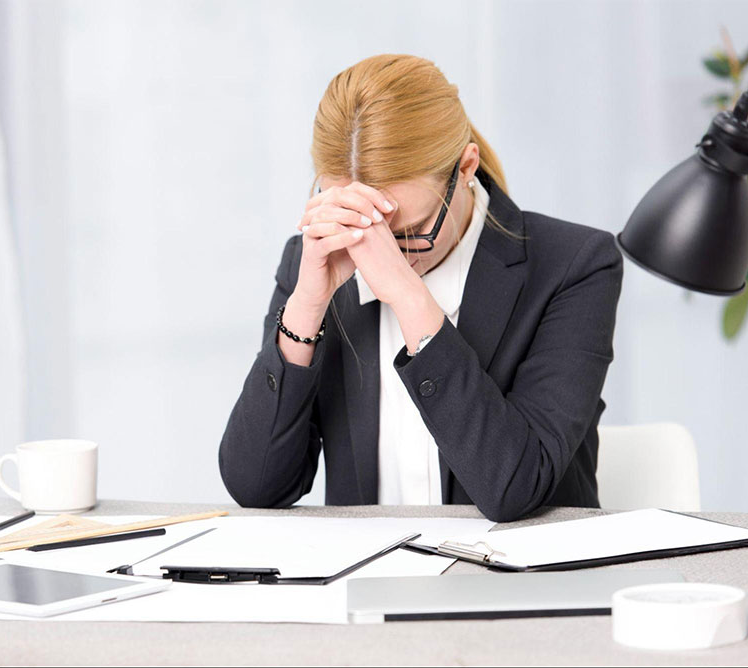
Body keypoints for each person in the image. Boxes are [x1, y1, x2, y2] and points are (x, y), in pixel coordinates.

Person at [218, 54, 623, 522]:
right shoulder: (317, 260)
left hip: (520, 584)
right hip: (367, 584)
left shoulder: (574, 264)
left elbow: (513, 487)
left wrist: (409, 296)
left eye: (409, 229)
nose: (377, 251)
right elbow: (257, 486)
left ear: (466, 167)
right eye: (357, 221)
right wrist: (305, 308)